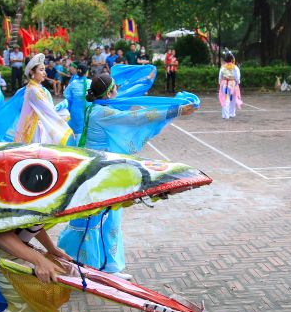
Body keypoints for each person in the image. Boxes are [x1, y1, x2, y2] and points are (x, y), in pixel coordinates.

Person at [57, 74, 195, 277]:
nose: (118, 93)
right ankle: (95, 267)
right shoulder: (101, 112)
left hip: (98, 169)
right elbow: (134, 118)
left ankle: (104, 266)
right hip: (99, 173)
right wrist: (176, 110)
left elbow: (126, 105)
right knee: (100, 218)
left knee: (104, 217)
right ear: (108, 93)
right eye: (115, 90)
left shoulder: (94, 108)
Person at [14, 54, 73, 145]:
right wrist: (66, 128)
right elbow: (48, 110)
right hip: (35, 129)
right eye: (41, 70)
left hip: (36, 126)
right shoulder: (34, 90)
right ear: (32, 72)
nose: (44, 73)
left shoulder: (36, 87)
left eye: (44, 69)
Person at [218, 51, 242, 120]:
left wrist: (220, 83)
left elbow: (220, 77)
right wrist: (237, 82)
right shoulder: (235, 67)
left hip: (224, 84)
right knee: (233, 99)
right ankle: (232, 113)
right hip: (233, 84)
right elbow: (237, 77)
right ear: (232, 59)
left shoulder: (223, 67)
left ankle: (226, 115)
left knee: (226, 99)